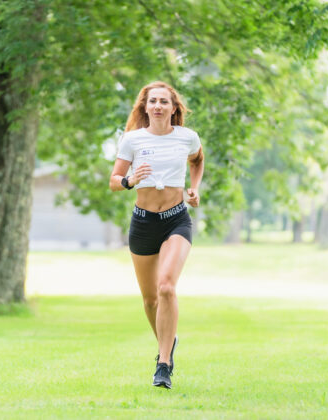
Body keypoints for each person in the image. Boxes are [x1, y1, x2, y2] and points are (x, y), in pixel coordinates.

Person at [109, 81, 204, 389]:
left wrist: (194, 188)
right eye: (153, 101)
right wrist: (129, 180)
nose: (159, 106)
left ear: (174, 108)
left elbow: (198, 160)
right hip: (143, 223)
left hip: (176, 220)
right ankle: (168, 342)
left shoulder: (187, 137)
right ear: (145, 107)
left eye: (164, 101)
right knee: (150, 300)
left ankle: (163, 364)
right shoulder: (132, 139)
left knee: (166, 287)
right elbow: (114, 180)